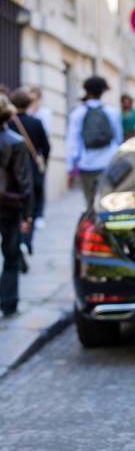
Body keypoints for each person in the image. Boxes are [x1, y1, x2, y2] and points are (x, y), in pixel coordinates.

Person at [66, 76, 123, 212]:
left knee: (89, 201)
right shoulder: (112, 112)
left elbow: (72, 141)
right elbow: (118, 138)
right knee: (107, 201)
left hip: (86, 164)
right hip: (107, 162)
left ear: (86, 91)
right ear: (102, 92)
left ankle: (92, 227)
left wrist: (70, 167)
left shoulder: (78, 113)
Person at [0, 93, 33, 316]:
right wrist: (28, 215)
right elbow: (24, 183)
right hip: (8, 206)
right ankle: (8, 302)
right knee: (11, 255)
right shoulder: (16, 142)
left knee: (12, 255)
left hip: (7, 205)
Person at [9, 87, 50, 263]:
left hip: (11, 173)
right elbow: (46, 147)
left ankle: (18, 241)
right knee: (30, 207)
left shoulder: (8, 123)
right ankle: (26, 240)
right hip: (32, 170)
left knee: (15, 207)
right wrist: (42, 163)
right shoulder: (36, 123)